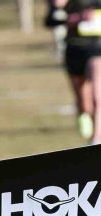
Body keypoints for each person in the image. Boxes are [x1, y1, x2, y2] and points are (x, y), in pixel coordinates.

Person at [54, 0, 101, 142]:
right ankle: (85, 117)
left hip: (97, 48)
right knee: (83, 101)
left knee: (97, 96)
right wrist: (74, 19)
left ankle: (97, 139)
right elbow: (50, 20)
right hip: (74, 49)